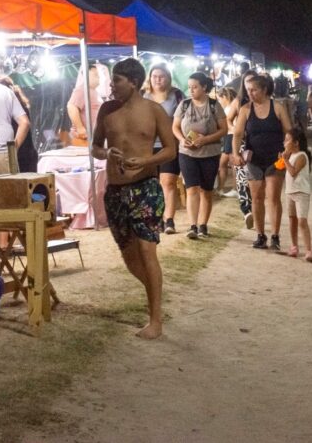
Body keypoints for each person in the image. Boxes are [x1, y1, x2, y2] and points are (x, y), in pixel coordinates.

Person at [91, 58, 177, 340]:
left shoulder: (154, 111)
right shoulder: (107, 110)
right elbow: (95, 147)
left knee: (146, 251)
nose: (112, 86)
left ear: (133, 83)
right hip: (116, 190)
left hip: (145, 187)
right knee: (129, 256)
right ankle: (156, 295)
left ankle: (155, 320)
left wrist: (146, 160)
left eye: (117, 80)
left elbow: (171, 150)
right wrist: (107, 154)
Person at [231, 73, 294, 250]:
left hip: (275, 159)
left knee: (273, 197)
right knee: (256, 198)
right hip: (254, 159)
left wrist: (287, 150)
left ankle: (275, 236)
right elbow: (237, 134)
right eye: (248, 90)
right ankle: (260, 235)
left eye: (254, 90)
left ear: (264, 90)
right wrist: (236, 153)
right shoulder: (245, 110)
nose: (250, 93)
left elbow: (289, 131)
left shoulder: (278, 107)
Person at [173, 72, 228, 239]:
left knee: (206, 190)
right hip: (187, 153)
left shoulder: (214, 105)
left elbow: (224, 129)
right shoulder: (184, 105)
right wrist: (182, 140)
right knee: (191, 188)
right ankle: (192, 225)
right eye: (189, 87)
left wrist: (206, 140)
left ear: (204, 87)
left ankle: (203, 225)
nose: (191, 90)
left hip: (209, 154)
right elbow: (175, 127)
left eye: (195, 87)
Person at [144, 64, 184, 234]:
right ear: (149, 78)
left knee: (168, 183)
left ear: (168, 78)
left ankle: (169, 220)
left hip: (169, 145)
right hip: (147, 147)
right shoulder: (142, 95)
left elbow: (184, 118)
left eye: (161, 76)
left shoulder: (176, 95)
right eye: (154, 76)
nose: (158, 79)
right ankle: (155, 218)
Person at [282, 126, 312, 262]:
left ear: (296, 143)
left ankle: (309, 249)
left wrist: (285, 160)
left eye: (287, 140)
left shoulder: (302, 156)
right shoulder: (291, 156)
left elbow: (293, 172)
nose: (285, 143)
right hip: (290, 191)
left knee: (302, 221)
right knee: (292, 220)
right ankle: (294, 246)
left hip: (301, 192)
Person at [231, 70, 257, 227]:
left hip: (257, 145)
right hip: (241, 145)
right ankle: (246, 210)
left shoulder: (264, 101)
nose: (250, 85)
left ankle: (254, 209)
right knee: (242, 180)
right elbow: (227, 120)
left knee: (255, 179)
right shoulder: (239, 102)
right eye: (247, 82)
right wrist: (236, 129)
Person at [0, 75, 38, 172]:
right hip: (28, 154)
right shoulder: (22, 105)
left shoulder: (11, 109)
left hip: (19, 155)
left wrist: (13, 150)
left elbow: (25, 124)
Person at [67, 64, 105, 140]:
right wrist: (80, 128)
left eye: (98, 75)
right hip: (83, 138)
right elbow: (71, 107)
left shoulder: (94, 91)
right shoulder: (82, 90)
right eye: (95, 75)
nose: (98, 77)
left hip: (92, 137)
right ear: (86, 76)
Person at [216, 87, 238, 198]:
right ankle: (221, 188)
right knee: (223, 163)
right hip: (228, 137)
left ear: (224, 97)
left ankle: (235, 188)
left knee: (232, 164)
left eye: (219, 99)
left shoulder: (230, 108)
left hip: (231, 136)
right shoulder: (229, 107)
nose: (219, 102)